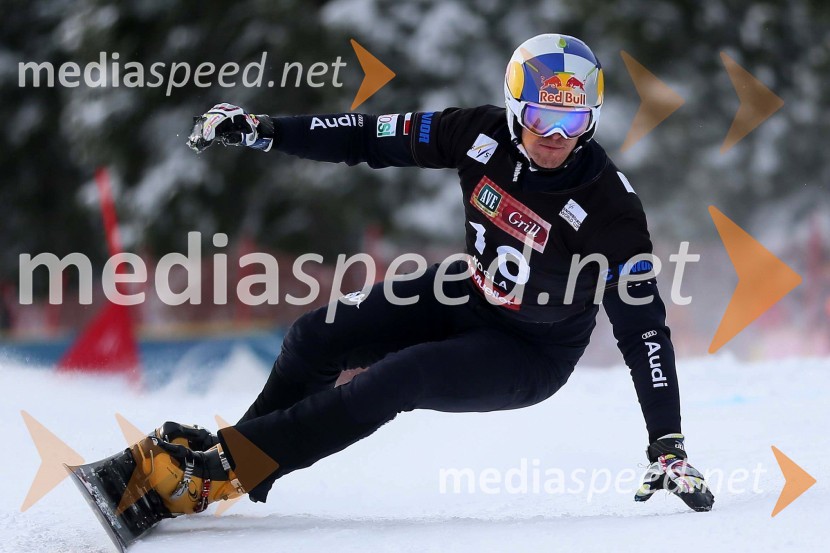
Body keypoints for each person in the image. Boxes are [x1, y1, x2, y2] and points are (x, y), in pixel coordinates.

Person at [141, 33, 714, 517]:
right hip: (466, 291)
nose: (555, 138)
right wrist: (269, 129)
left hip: (531, 351)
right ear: (515, 107)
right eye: (541, 116)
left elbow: (642, 329)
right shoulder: (477, 134)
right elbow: (367, 137)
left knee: (400, 377)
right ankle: (228, 467)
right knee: (317, 334)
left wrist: (667, 440)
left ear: (591, 120)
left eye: (573, 121)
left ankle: (227, 468)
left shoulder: (609, 207)